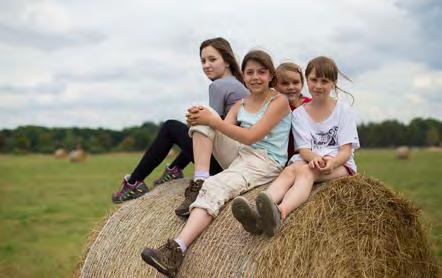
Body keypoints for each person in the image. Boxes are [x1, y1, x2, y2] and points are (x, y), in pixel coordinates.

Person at [141, 50, 291, 277]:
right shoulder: (241, 103)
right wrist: (199, 118)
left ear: (271, 75)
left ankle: (176, 250)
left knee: (217, 185)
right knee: (205, 114)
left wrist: (213, 121)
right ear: (243, 76)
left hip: (265, 161)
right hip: (241, 154)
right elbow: (219, 128)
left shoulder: (279, 102)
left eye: (261, 72)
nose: (255, 77)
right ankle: (200, 179)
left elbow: (252, 137)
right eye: (250, 73)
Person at [231, 56, 360, 237]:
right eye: (314, 80)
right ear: (307, 81)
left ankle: (280, 212)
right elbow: (304, 149)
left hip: (339, 164)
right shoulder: (299, 114)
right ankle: (257, 212)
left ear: (334, 83)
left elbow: (346, 151)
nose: (318, 85)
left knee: (307, 172)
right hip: (308, 158)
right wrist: (314, 158)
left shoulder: (344, 111)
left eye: (325, 81)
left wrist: (331, 163)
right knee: (289, 171)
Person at [111, 37, 249, 204]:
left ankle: (134, 183)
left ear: (227, 61)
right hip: (238, 162)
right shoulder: (237, 84)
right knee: (195, 128)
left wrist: (197, 121)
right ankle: (174, 170)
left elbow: (212, 130)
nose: (206, 65)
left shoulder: (219, 86)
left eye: (212, 59)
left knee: (171, 126)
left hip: (224, 165)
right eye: (203, 61)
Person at [274, 62, 311, 160]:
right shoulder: (274, 109)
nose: (291, 87)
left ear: (302, 84)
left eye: (295, 82)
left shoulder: (311, 105)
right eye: (285, 83)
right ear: (275, 86)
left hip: (310, 156)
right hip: (283, 159)